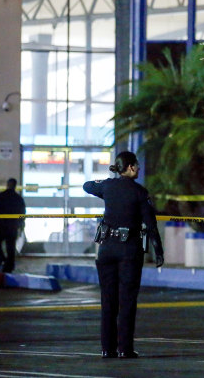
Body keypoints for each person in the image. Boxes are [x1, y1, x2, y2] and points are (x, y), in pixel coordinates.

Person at [83, 151, 164, 359]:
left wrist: (105, 181)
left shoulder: (108, 187)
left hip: (106, 249)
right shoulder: (139, 192)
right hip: (129, 250)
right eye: (136, 165)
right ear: (129, 167)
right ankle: (124, 348)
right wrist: (159, 251)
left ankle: (106, 348)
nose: (138, 168)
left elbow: (87, 186)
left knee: (108, 300)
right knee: (127, 300)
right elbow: (151, 225)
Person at [0, 178, 26, 273]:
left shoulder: (1, 196)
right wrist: (21, 225)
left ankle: (2, 260)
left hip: (1, 225)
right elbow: (22, 213)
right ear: (15, 186)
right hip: (12, 226)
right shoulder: (18, 199)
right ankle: (9, 265)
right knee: (10, 247)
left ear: (7, 185)